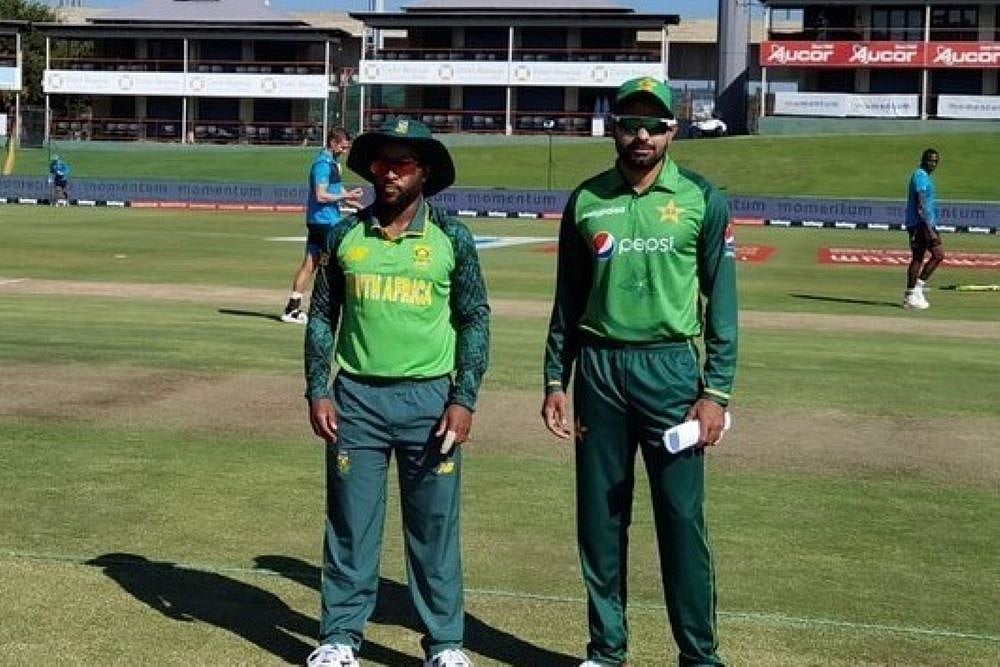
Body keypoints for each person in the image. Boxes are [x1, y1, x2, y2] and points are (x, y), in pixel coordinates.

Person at [540, 77, 738, 666]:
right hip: (599, 370)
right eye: (631, 124)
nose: (642, 136)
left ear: (672, 130)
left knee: (681, 520)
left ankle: (699, 657)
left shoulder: (702, 198)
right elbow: (568, 298)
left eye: (654, 124)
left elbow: (722, 302)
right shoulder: (586, 200)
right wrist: (554, 378)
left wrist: (716, 391)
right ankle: (606, 650)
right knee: (601, 519)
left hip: (671, 371)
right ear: (614, 129)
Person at [303, 119, 490, 667]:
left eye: (402, 164)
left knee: (434, 530)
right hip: (356, 400)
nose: (388, 173)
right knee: (350, 525)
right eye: (382, 162)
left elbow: (475, 319)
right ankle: (340, 638)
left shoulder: (452, 239)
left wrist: (464, 398)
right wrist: (317, 388)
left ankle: (445, 644)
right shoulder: (345, 235)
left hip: (429, 403)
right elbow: (322, 316)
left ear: (424, 173)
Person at [281, 127, 364, 323]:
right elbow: (321, 195)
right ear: (333, 143)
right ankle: (331, 307)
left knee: (310, 264)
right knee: (337, 264)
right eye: (343, 147)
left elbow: (338, 192)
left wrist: (361, 207)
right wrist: (346, 196)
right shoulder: (322, 165)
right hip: (324, 222)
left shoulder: (333, 164)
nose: (345, 151)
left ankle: (292, 309)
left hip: (324, 220)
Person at [903, 148, 944, 310]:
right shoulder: (920, 176)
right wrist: (930, 229)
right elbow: (920, 205)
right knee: (921, 258)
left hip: (926, 223)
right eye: (930, 160)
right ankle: (911, 294)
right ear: (923, 160)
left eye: (935, 161)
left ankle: (917, 289)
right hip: (920, 224)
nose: (933, 164)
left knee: (935, 255)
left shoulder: (925, 176)